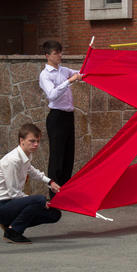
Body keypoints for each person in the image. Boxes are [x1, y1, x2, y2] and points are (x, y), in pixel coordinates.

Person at [0, 123, 63, 244]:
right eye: (32, 141)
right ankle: (12, 231)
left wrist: (51, 182)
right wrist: (40, 203)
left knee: (54, 215)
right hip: (1, 206)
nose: (36, 145)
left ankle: (10, 225)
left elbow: (33, 172)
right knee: (39, 200)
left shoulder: (25, 156)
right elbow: (14, 193)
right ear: (21, 140)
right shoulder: (12, 160)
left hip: (11, 204)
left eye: (38, 141)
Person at [39, 40, 82, 193]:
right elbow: (52, 95)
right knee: (57, 156)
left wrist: (89, 64)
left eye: (60, 52)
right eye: (56, 53)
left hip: (68, 116)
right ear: (47, 56)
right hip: (56, 117)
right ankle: (54, 193)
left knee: (68, 155)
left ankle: (65, 191)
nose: (59, 55)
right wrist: (69, 81)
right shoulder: (45, 75)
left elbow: (79, 73)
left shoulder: (63, 70)